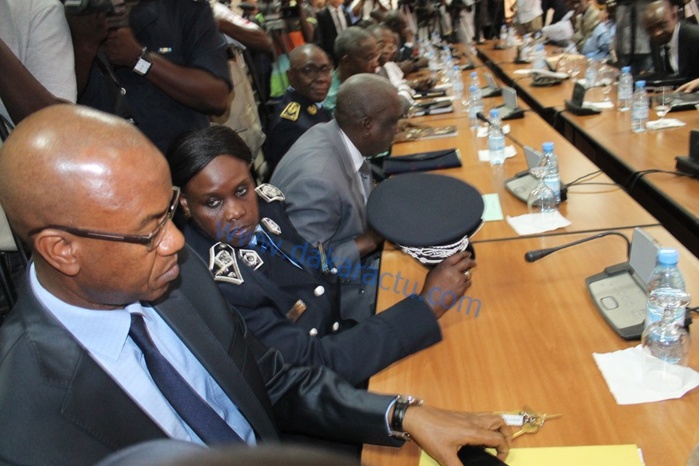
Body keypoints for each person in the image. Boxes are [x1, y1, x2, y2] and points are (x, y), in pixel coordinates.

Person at [0, 104, 512, 465]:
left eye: (169, 215)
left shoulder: (179, 283)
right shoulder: (20, 414)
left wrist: (403, 415)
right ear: (61, 249)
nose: (177, 243)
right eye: (150, 231)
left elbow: (277, 379)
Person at [168, 125, 475, 386]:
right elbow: (312, 363)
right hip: (322, 386)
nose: (235, 212)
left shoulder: (269, 207)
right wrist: (426, 306)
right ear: (184, 204)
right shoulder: (216, 282)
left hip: (342, 339)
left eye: (241, 190)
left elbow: (315, 273)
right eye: (212, 202)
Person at [271, 74, 398, 322]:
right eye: (392, 122)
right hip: (339, 299)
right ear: (367, 125)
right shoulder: (318, 181)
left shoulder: (332, 134)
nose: (397, 130)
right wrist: (371, 239)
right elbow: (307, 268)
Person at [78, 0, 232, 153]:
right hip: (102, 160)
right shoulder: (75, 13)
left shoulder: (184, 10)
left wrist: (138, 59)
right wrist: (86, 44)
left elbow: (216, 97)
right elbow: (61, 105)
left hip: (179, 162)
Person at [264, 44, 333, 176]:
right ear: (291, 76)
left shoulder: (312, 105)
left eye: (325, 69)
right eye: (309, 70)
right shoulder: (289, 125)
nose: (321, 78)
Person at [323, 26, 380, 114]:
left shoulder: (364, 78)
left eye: (376, 56)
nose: (376, 64)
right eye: (369, 58)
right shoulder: (334, 100)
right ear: (347, 62)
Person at [644, 0, 699, 82]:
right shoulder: (654, 42)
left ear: (674, 16)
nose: (657, 33)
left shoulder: (695, 36)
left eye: (662, 25)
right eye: (650, 30)